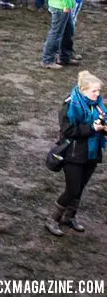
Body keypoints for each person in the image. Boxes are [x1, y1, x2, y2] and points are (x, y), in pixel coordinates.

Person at [46, 70, 106, 236]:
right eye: (94, 91)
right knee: (72, 189)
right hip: (73, 154)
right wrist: (92, 128)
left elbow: (102, 121)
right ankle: (52, 219)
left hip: (91, 154)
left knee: (80, 188)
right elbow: (68, 131)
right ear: (83, 90)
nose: (98, 94)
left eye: (99, 91)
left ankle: (69, 217)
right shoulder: (70, 106)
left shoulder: (98, 104)